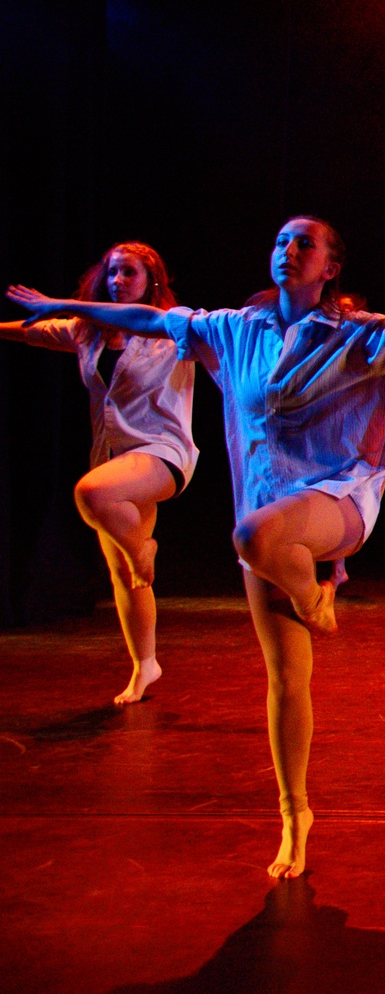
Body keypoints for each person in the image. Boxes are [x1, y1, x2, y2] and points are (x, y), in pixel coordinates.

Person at [8, 216, 385, 878]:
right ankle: (296, 816)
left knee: (253, 534)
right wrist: (62, 306)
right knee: (286, 677)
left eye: (304, 243)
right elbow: (145, 320)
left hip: (339, 501)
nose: (288, 250)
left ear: (330, 267)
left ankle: (318, 594)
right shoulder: (232, 330)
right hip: (268, 511)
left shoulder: (357, 333)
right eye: (281, 241)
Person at [1, 242, 195, 706]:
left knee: (92, 494)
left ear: (151, 281)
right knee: (125, 574)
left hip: (162, 453)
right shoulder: (85, 333)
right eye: (112, 273)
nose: (117, 281)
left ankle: (143, 548)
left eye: (128, 273)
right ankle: (145, 664)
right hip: (113, 458)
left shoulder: (173, 328)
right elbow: (30, 333)